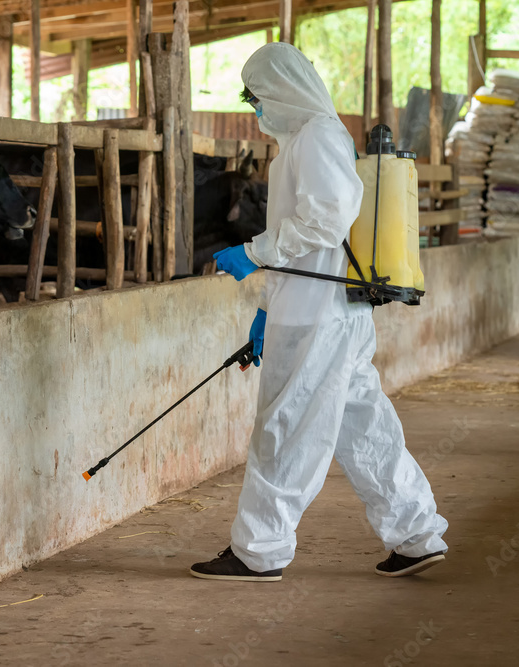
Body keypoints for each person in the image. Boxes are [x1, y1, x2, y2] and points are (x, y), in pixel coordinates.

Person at [190, 43, 449, 582]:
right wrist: (265, 310)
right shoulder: (302, 144)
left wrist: (253, 252)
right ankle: (417, 534)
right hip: (326, 311)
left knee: (285, 427)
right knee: (363, 424)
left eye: (259, 100)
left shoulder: (318, 137)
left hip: (316, 318)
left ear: (283, 91)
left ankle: (259, 550)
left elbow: (326, 222)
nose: (258, 113)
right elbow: (308, 242)